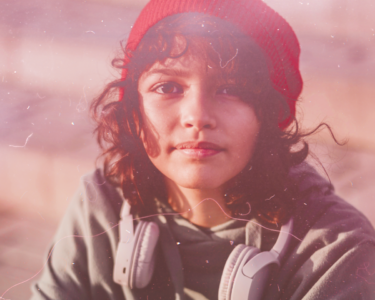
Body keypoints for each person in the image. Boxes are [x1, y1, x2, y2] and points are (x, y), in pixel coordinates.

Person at [30, 0, 375, 299]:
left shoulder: (337, 251)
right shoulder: (102, 203)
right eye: (167, 86)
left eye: (230, 90)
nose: (197, 116)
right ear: (133, 110)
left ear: (269, 115)